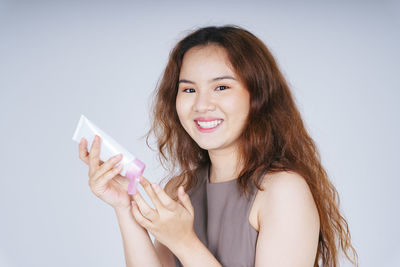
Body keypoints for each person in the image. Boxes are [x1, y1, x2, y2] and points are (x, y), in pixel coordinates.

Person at [78, 25, 358, 267]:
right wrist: (124, 206)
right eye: (188, 89)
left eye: (221, 87)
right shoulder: (181, 187)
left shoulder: (283, 190)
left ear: (257, 96)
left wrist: (185, 242)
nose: (201, 105)